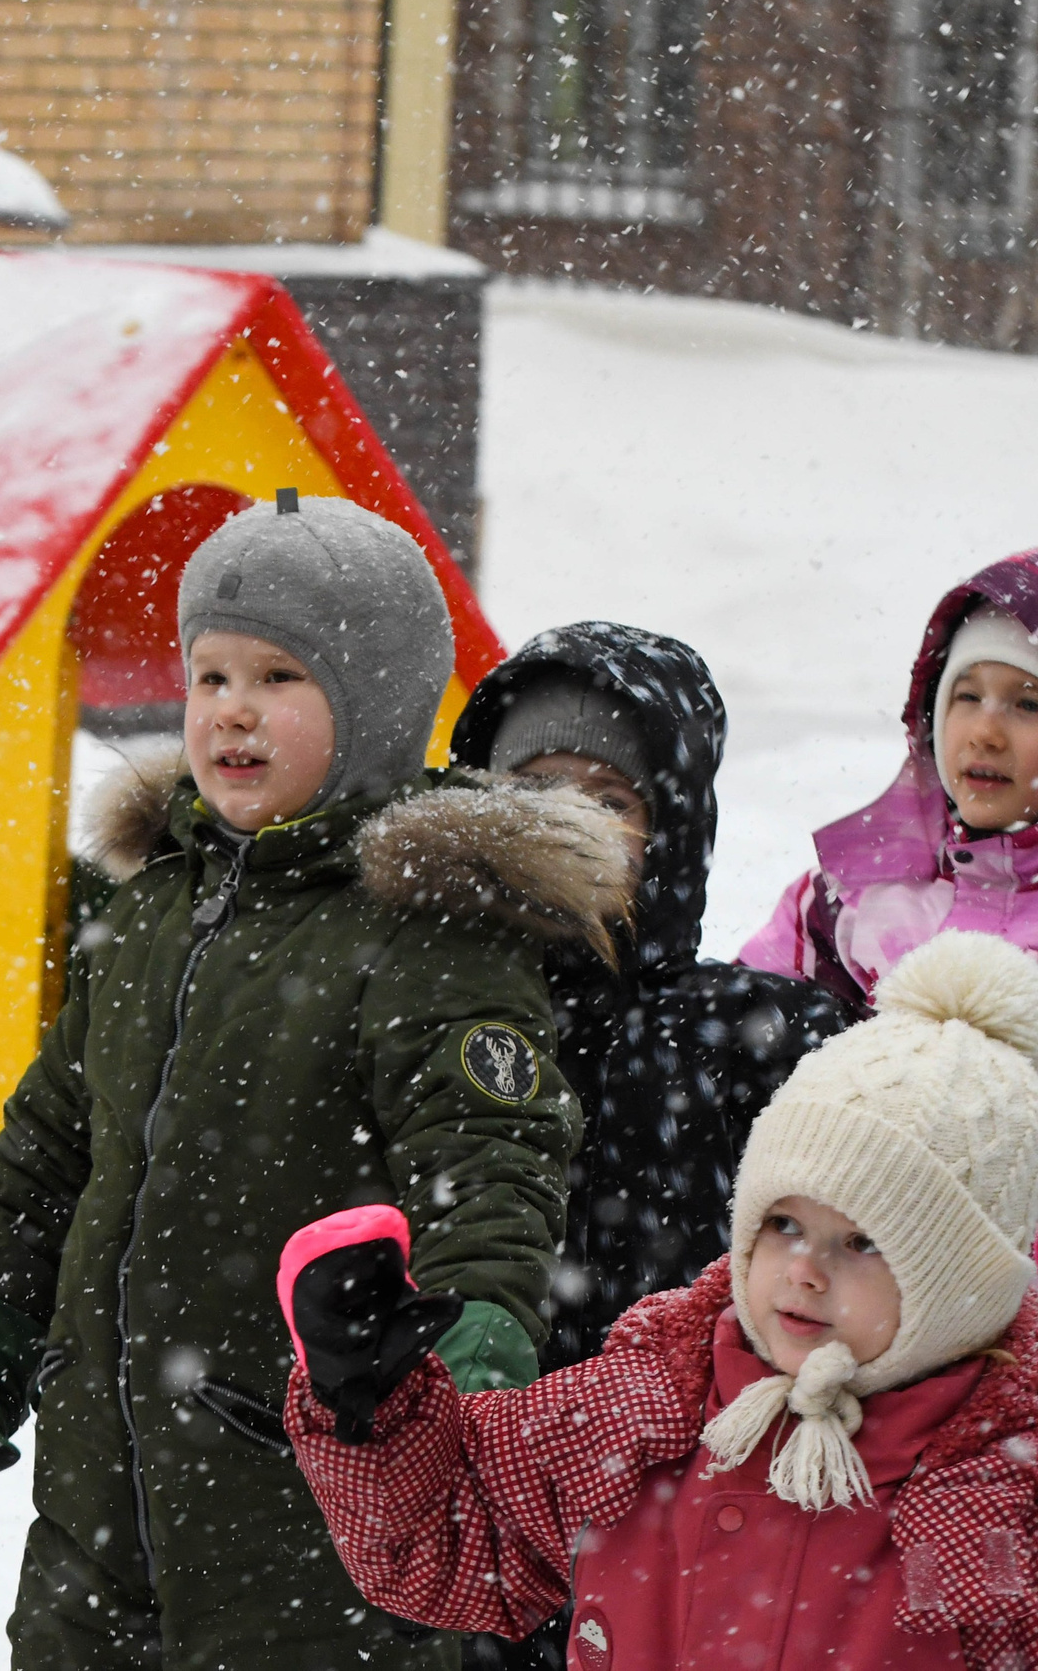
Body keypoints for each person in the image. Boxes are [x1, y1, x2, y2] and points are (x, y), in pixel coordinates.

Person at [0, 494, 630, 1669]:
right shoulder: (149, 912)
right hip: (93, 1541)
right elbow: (38, 1170)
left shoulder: (430, 935)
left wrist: (454, 1415)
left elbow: (490, 1188)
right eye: (209, 676)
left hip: (315, 1551)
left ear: (373, 702)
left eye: (279, 677)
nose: (231, 709)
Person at [279, 929, 1038, 1670]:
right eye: (783, 1224)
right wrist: (374, 1403)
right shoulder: (652, 1403)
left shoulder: (1004, 1485)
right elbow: (450, 1541)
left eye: (863, 1241)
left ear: (962, 1284)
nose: (805, 1269)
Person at [455, 626, 855, 1371]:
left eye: (607, 800)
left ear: (670, 834)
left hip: (695, 1433)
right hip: (470, 1427)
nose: (565, 824)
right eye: (532, 791)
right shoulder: (432, 1010)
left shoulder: (755, 1034)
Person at [745, 549, 1038, 1006]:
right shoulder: (846, 904)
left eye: (1028, 704)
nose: (984, 734)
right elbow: (742, 1031)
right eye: (967, 696)